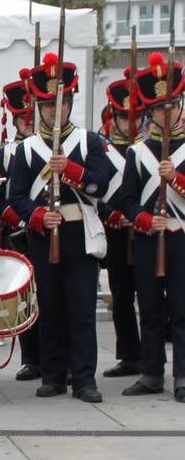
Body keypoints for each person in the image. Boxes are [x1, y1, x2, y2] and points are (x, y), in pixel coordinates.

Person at [3, 53, 113, 403]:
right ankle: (52, 375)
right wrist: (37, 217)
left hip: (78, 234)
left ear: (69, 104)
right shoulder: (27, 150)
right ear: (38, 106)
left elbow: (102, 185)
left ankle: (84, 378)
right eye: (48, 105)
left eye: (60, 104)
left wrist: (71, 170)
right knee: (48, 307)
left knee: (81, 309)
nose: (54, 111)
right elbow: (16, 197)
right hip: (42, 234)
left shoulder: (88, 142)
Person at [114, 53, 184, 402]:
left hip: (181, 237)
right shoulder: (138, 152)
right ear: (151, 112)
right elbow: (125, 201)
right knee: (151, 309)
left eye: (171, 106)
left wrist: (177, 179)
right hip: (147, 238)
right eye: (159, 108)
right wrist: (144, 220)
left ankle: (183, 375)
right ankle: (152, 373)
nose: (166, 113)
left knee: (182, 311)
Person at [0, 74, 42, 381]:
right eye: (23, 117)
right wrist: (21, 220)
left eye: (32, 116)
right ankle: (32, 358)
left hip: (45, 228)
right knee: (23, 298)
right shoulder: (6, 153)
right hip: (17, 233)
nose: (28, 122)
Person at [99, 73, 143, 380]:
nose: (131, 124)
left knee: (154, 299)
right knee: (121, 295)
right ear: (112, 118)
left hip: (145, 230)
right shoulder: (101, 151)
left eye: (136, 118)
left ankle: (151, 357)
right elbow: (92, 191)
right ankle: (129, 354)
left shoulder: (148, 149)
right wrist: (112, 216)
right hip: (116, 231)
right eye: (125, 118)